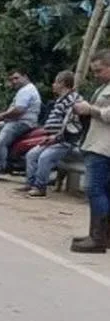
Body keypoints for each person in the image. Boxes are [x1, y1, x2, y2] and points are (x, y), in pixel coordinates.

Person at [68, 50, 110, 253]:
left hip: (103, 147)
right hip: (97, 143)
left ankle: (98, 238)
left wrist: (90, 109)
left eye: (99, 70)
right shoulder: (104, 87)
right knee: (103, 191)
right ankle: (102, 235)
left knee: (95, 190)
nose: (96, 75)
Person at [21, 71, 82, 198]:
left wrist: (57, 137)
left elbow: (70, 123)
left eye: (55, 82)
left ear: (63, 84)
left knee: (45, 157)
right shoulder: (61, 99)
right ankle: (31, 183)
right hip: (52, 138)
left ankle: (40, 187)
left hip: (64, 140)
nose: (53, 85)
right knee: (31, 155)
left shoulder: (72, 100)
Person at [0, 68, 42, 182]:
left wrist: (3, 115)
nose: (14, 81)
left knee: (1, 142)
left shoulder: (26, 90)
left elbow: (19, 110)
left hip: (21, 122)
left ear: (25, 77)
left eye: (16, 78)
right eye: (12, 80)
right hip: (20, 121)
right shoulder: (27, 89)